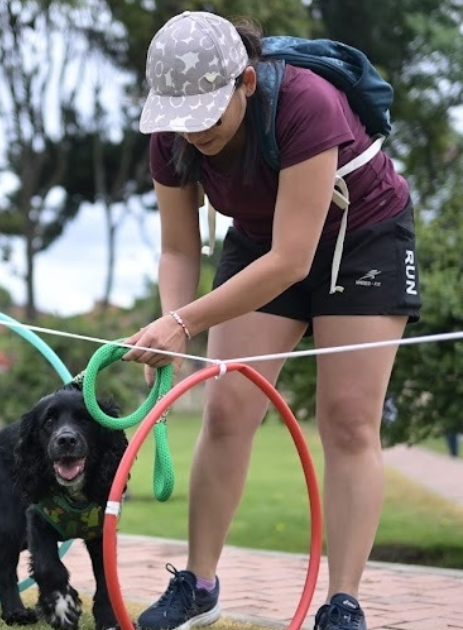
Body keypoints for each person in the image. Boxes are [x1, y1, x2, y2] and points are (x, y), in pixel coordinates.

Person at [124, 12, 421, 630]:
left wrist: (184, 321)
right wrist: (172, 323)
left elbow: (294, 260)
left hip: (361, 238)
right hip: (260, 239)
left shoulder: (305, 103)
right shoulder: (173, 134)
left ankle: (343, 603)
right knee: (227, 409)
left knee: (348, 420)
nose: (195, 129)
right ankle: (199, 586)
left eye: (210, 111)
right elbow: (180, 249)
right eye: (183, 116)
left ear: (246, 84)